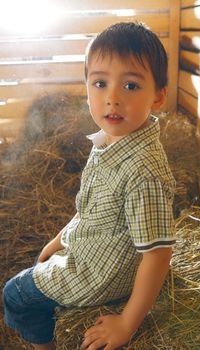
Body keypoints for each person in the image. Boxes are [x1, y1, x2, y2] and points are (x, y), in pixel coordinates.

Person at [3, 22, 176, 350]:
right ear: (87, 90)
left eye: (130, 86)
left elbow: (158, 254)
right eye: (100, 83)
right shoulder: (111, 140)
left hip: (99, 276)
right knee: (38, 266)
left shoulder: (143, 170)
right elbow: (92, 206)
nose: (112, 98)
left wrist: (125, 324)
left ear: (158, 96)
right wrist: (60, 238)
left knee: (14, 294)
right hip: (94, 249)